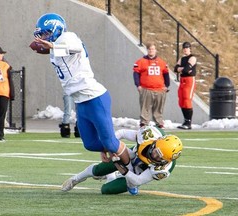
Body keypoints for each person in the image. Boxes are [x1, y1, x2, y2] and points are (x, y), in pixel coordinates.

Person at [31, 13, 131, 168]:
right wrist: (48, 48)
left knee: (110, 142)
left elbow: (76, 48)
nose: (43, 36)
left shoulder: (67, 37)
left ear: (57, 30)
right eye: (42, 34)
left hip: (94, 97)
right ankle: (118, 153)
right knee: (90, 144)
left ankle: (132, 169)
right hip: (80, 100)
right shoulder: (57, 47)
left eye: (46, 33)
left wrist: (52, 46)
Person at [61, 125, 183, 195]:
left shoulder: (163, 169)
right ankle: (75, 179)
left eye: (159, 157)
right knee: (99, 170)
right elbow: (122, 133)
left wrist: (124, 171)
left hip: (137, 174)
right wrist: (105, 148)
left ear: (165, 160)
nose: (154, 155)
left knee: (106, 190)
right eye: (156, 150)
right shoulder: (149, 135)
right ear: (156, 141)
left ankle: (111, 176)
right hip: (132, 155)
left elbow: (138, 180)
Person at [133, 42, 170, 129]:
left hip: (159, 89)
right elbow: (136, 73)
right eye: (150, 49)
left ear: (155, 50)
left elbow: (166, 74)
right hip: (146, 88)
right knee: (145, 107)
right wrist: (138, 85)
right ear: (147, 50)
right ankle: (144, 123)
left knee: (158, 107)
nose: (151, 51)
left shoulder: (161, 62)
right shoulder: (141, 62)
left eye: (153, 49)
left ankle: (159, 122)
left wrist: (167, 85)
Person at [174, 42, 197, 130]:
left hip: (189, 80)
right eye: (184, 48)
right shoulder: (182, 58)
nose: (185, 49)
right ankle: (185, 120)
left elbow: (187, 69)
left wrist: (182, 69)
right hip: (182, 80)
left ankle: (189, 122)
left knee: (187, 99)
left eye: (187, 47)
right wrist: (183, 69)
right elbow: (176, 69)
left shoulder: (192, 57)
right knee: (181, 100)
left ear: (190, 48)